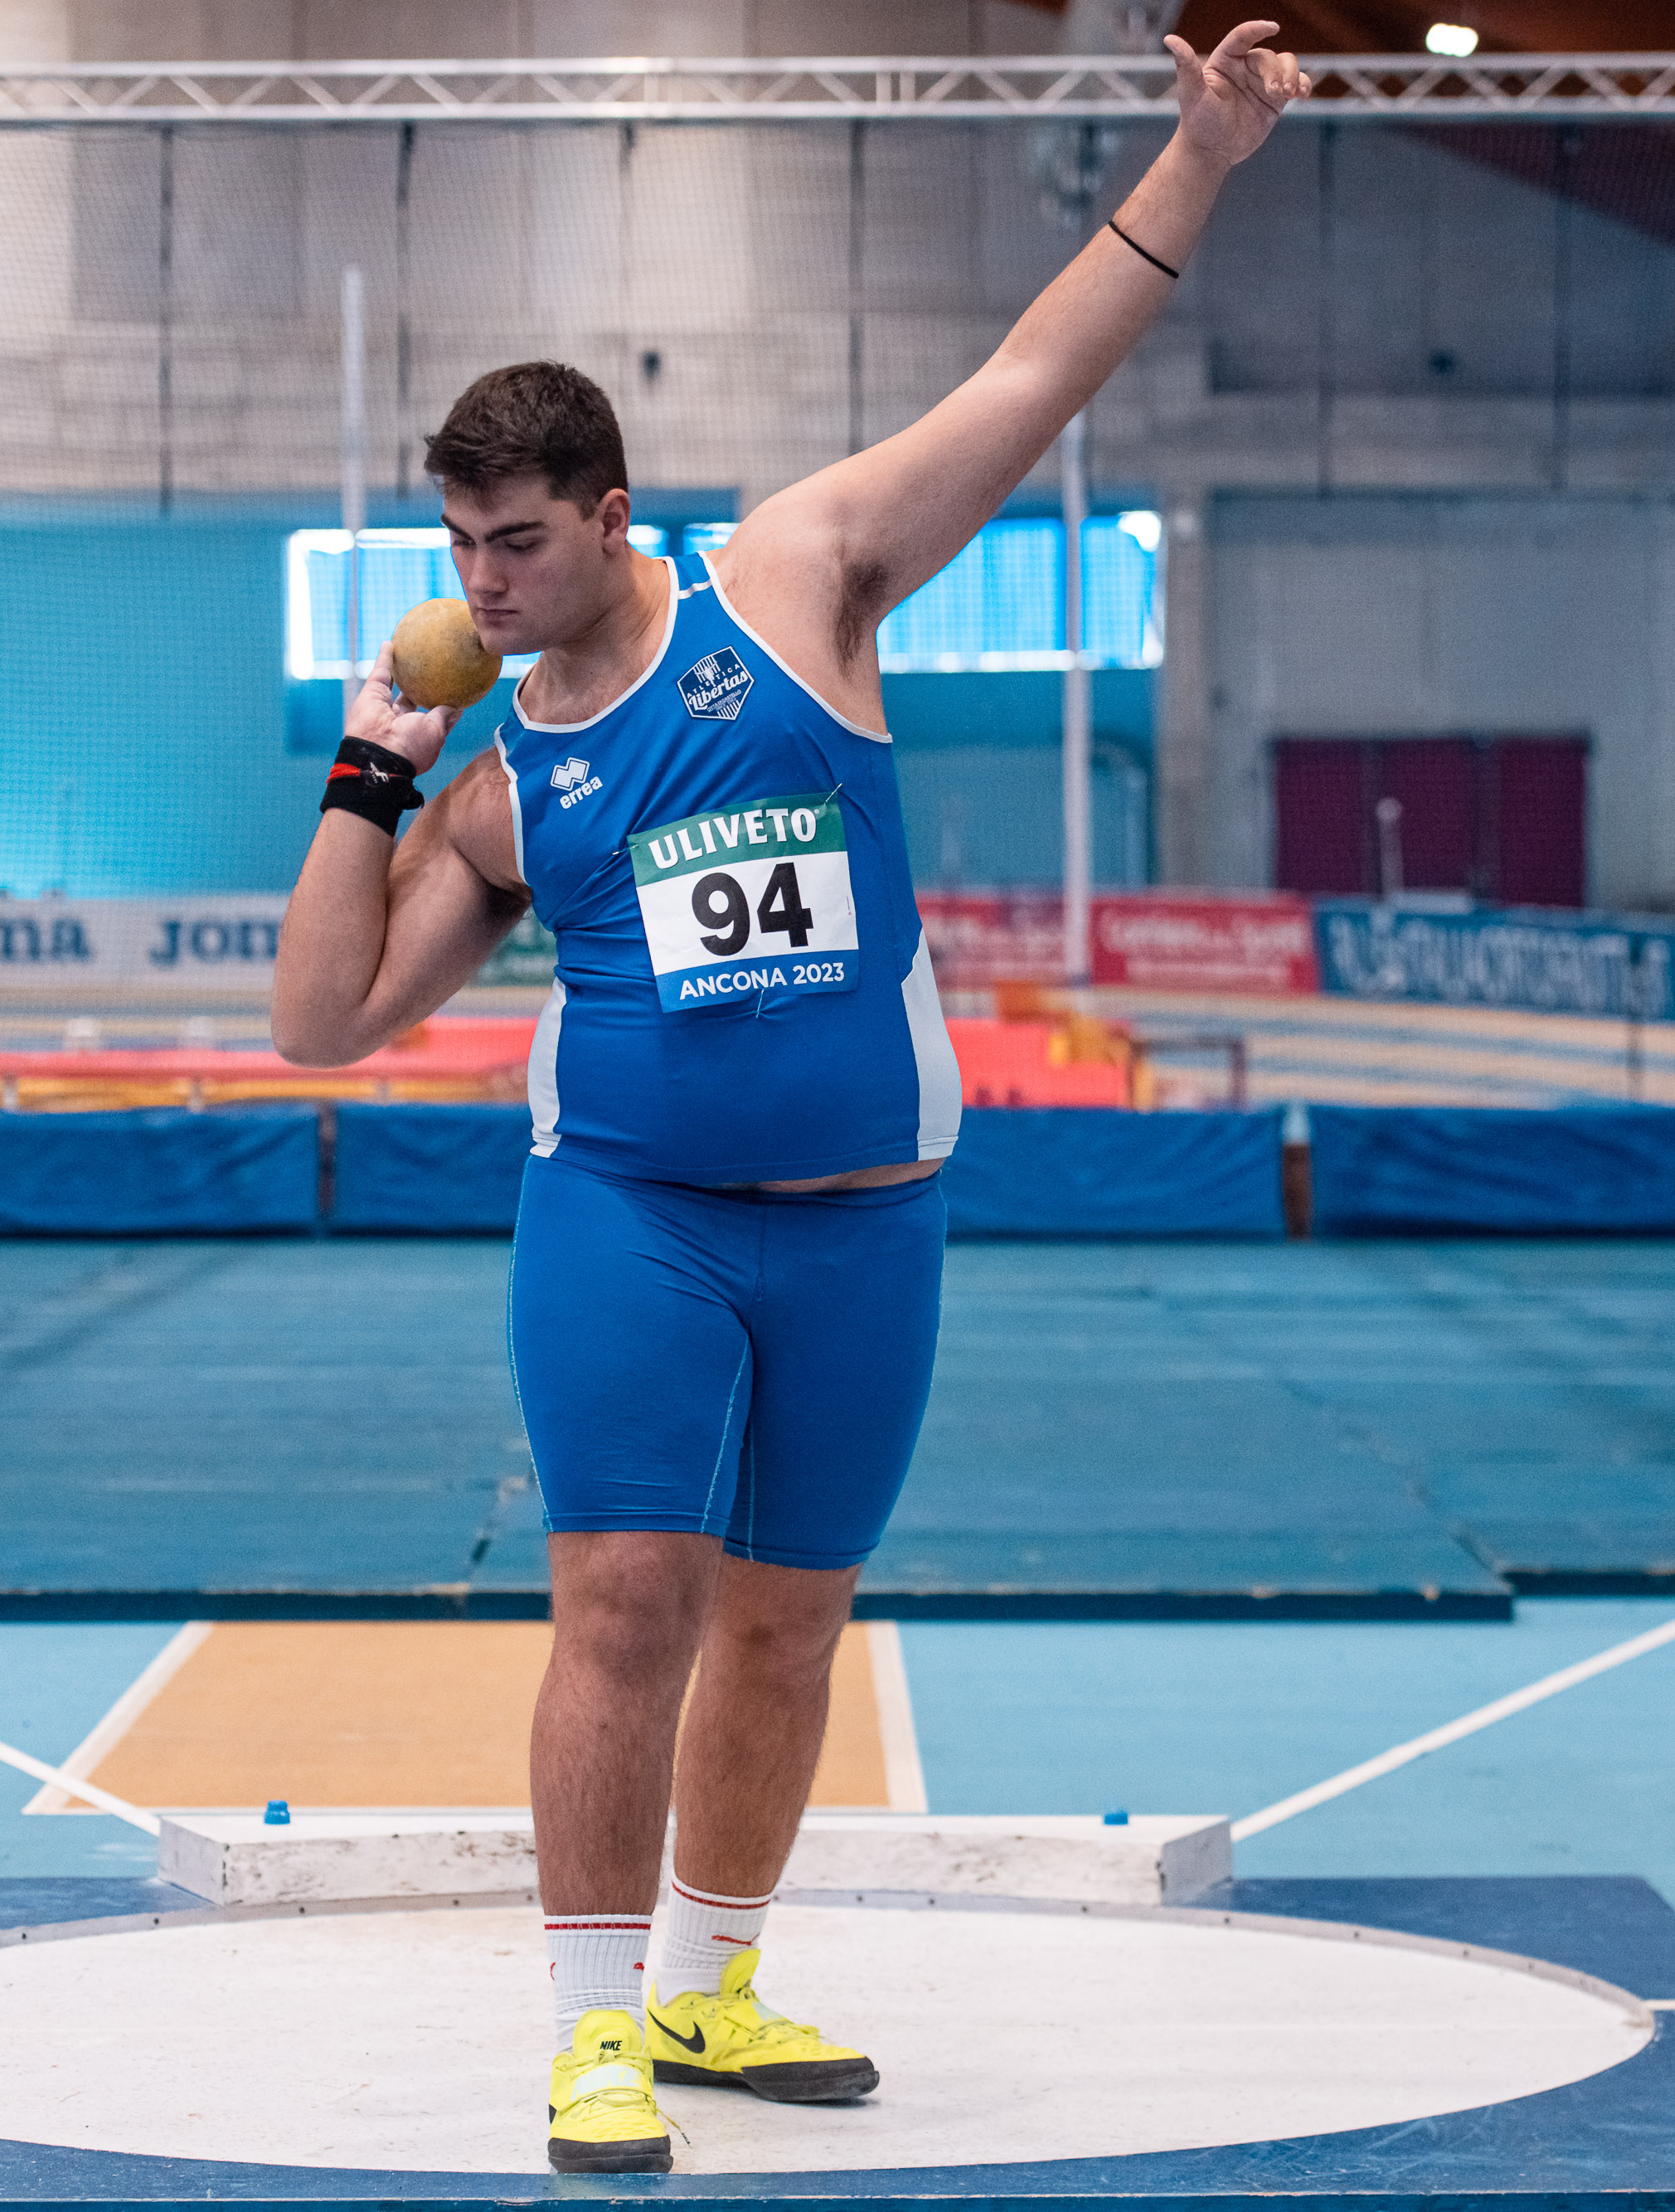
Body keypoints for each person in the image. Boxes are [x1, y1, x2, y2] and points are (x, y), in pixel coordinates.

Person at [271, 22, 1304, 2175]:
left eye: (516, 542)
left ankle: (710, 1985)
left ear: (609, 515)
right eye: (457, 548)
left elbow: (1035, 373)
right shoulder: (503, 782)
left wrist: (1201, 156)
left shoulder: (799, 577)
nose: (481, 585)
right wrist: (368, 774)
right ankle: (590, 2029)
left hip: (866, 1219)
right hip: (629, 1215)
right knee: (623, 1605)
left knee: (787, 1616)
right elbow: (322, 1026)